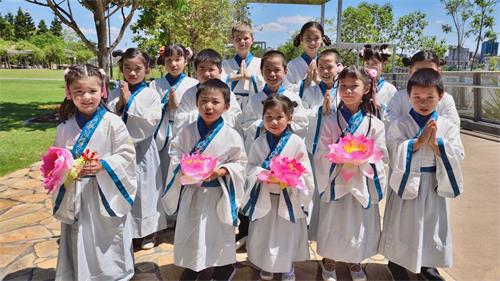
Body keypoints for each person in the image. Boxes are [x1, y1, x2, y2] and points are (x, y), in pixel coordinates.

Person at [52, 64, 137, 280]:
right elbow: (59, 160)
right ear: (69, 93)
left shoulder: (113, 123)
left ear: (103, 92)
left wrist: (104, 165)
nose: (86, 97)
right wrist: (66, 170)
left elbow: (127, 155)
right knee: (79, 236)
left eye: (92, 91)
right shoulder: (65, 127)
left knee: (108, 238)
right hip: (77, 193)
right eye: (79, 92)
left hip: (106, 192)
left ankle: (114, 275)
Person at [379, 68, 465, 281]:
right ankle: (398, 264)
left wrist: (438, 145)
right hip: (406, 183)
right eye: (417, 97)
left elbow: (458, 153)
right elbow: (391, 149)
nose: (423, 102)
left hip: (433, 183)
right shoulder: (400, 123)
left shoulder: (447, 126)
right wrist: (417, 143)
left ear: (440, 97)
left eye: (429, 97)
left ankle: (427, 265)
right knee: (404, 225)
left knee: (429, 226)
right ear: (409, 97)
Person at [161, 79, 247, 281]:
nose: (208, 106)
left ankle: (223, 268)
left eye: (215, 102)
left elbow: (241, 163)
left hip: (218, 193)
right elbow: (176, 153)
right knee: (193, 231)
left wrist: (223, 171)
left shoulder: (232, 135)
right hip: (194, 192)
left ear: (226, 106)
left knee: (218, 233)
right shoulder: (187, 130)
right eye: (204, 101)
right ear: (196, 103)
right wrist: (185, 166)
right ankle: (194, 265)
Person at [313, 66, 388, 281]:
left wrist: (362, 159)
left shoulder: (375, 124)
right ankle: (329, 260)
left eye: (353, 86)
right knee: (333, 221)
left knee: (359, 223)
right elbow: (321, 152)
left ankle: (356, 260)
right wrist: (337, 155)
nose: (347, 91)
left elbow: (380, 154)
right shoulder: (330, 120)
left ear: (366, 89)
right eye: (343, 86)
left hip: (361, 181)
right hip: (336, 178)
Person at [241, 95, 314, 281]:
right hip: (265, 196)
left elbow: (305, 172)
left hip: (287, 198)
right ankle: (266, 265)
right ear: (262, 118)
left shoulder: (296, 142)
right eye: (268, 117)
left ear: (289, 118)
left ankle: (287, 265)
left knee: (285, 235)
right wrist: (263, 174)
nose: (273, 122)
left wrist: (289, 177)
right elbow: (250, 168)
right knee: (264, 234)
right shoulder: (258, 143)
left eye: (279, 117)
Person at [107, 48, 164, 249]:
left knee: (145, 191)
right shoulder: (116, 91)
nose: (132, 73)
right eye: (127, 68)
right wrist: (121, 101)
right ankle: (130, 230)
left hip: (143, 150)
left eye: (137, 68)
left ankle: (149, 232)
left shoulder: (151, 94)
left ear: (147, 70)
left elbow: (150, 121)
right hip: (121, 152)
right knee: (126, 190)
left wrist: (129, 101)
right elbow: (109, 118)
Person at [300, 48, 342, 241]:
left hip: (337, 154)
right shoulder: (311, 92)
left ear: (338, 67)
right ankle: (314, 230)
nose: (325, 71)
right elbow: (301, 116)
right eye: (321, 67)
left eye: (329, 67)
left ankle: (333, 233)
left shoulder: (344, 91)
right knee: (316, 191)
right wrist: (320, 111)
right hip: (315, 150)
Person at [150, 44, 198, 186]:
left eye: (178, 59)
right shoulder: (155, 84)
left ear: (186, 60)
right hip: (160, 134)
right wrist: (165, 107)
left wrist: (178, 108)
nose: (173, 64)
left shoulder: (194, 84)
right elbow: (150, 111)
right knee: (160, 174)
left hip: (184, 132)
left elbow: (198, 112)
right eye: (169, 60)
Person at [241, 50, 308, 150]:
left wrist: (283, 124)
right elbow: (246, 125)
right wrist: (265, 124)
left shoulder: (293, 98)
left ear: (285, 71)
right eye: (267, 70)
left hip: (286, 149)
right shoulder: (255, 100)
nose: (272, 74)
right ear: (261, 71)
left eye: (277, 70)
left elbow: (301, 125)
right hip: (261, 150)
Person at [173, 48, 242, 135]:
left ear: (220, 71)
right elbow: (179, 122)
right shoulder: (189, 94)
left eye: (211, 69)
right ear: (196, 72)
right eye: (202, 69)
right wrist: (203, 115)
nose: (206, 74)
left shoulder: (228, 94)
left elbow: (236, 121)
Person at [385, 50, 460, 127]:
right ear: (410, 72)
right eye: (419, 71)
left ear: (439, 72)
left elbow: (453, 126)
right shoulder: (399, 97)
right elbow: (389, 123)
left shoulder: (446, 99)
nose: (424, 75)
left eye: (430, 71)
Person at [223, 21, 265, 108]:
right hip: (231, 108)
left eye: (246, 38)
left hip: (254, 109)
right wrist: (230, 78)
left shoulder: (261, 63)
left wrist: (251, 78)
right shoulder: (224, 65)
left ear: (252, 40)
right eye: (238, 39)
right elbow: (217, 85)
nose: (242, 42)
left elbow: (267, 86)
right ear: (232, 41)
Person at [285, 21, 331, 86]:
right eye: (308, 38)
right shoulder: (292, 65)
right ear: (301, 39)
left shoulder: (329, 64)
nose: (312, 42)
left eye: (316, 38)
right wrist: (306, 81)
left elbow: (334, 89)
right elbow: (286, 91)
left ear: (322, 40)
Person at [359, 44, 398, 118]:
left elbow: (394, 117)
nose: (370, 67)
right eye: (367, 63)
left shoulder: (390, 90)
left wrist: (379, 107)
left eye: (375, 64)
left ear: (384, 64)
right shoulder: (358, 85)